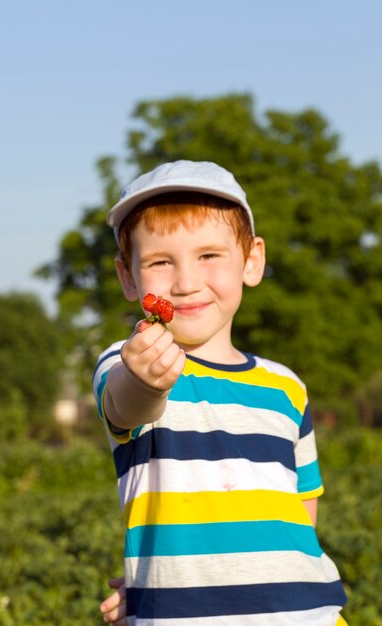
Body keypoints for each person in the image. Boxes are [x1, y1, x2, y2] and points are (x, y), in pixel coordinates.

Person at [93, 160, 348, 625]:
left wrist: (158, 576)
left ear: (251, 261)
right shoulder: (128, 361)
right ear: (128, 277)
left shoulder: (286, 386)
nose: (186, 282)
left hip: (310, 613)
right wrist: (148, 378)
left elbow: (300, 508)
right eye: (159, 261)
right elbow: (127, 405)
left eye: (209, 255)